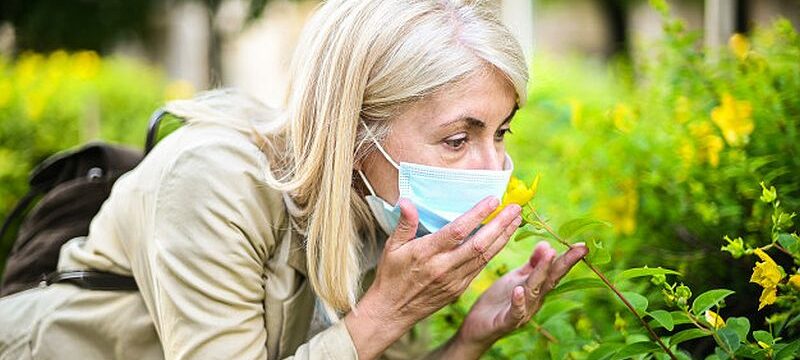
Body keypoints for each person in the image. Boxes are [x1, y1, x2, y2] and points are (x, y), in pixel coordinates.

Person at [0, 0, 588, 359]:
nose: (492, 170)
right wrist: (387, 310)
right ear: (355, 130)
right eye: (459, 139)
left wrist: (469, 338)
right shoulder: (212, 181)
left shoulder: (379, 205)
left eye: (500, 134)